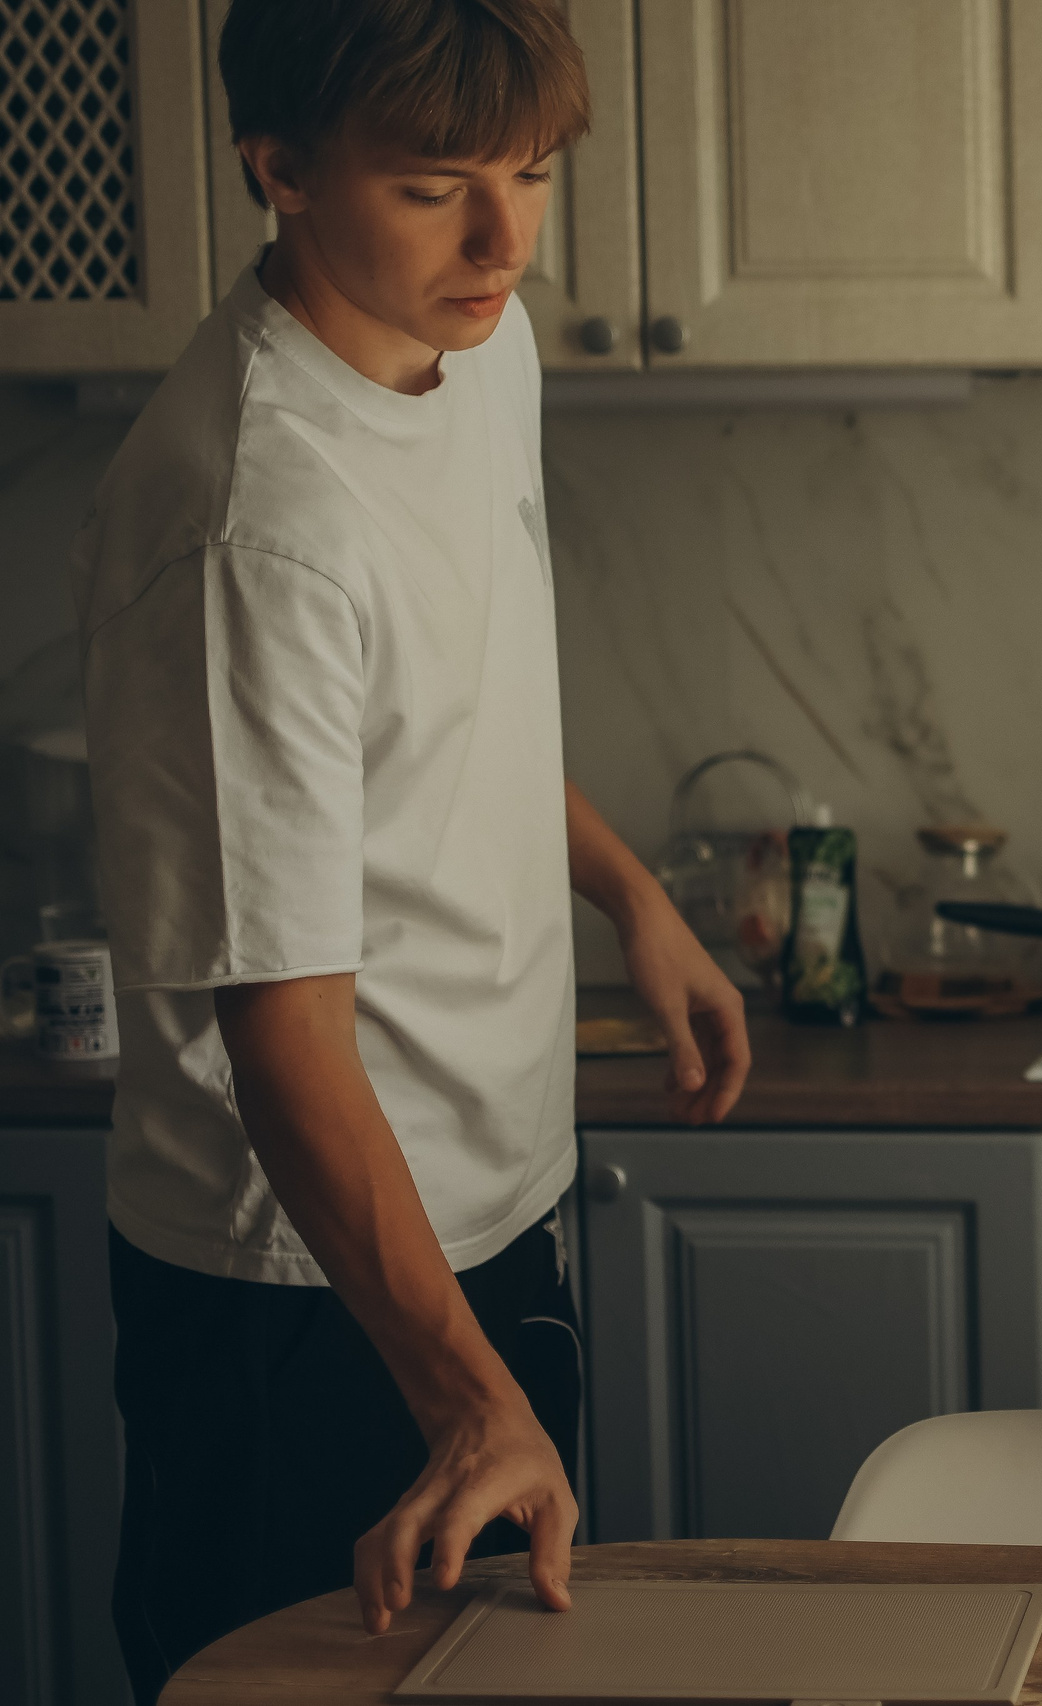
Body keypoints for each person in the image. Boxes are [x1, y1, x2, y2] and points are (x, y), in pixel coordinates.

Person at [72, 2, 749, 1695]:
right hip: (297, 1288)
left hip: (494, 1212)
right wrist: (462, 1397)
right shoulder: (254, 519)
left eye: (533, 173)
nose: (506, 240)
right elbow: (282, 1033)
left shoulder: (475, 344)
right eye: (438, 186)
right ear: (281, 171)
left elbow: (448, 725)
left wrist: (632, 895)